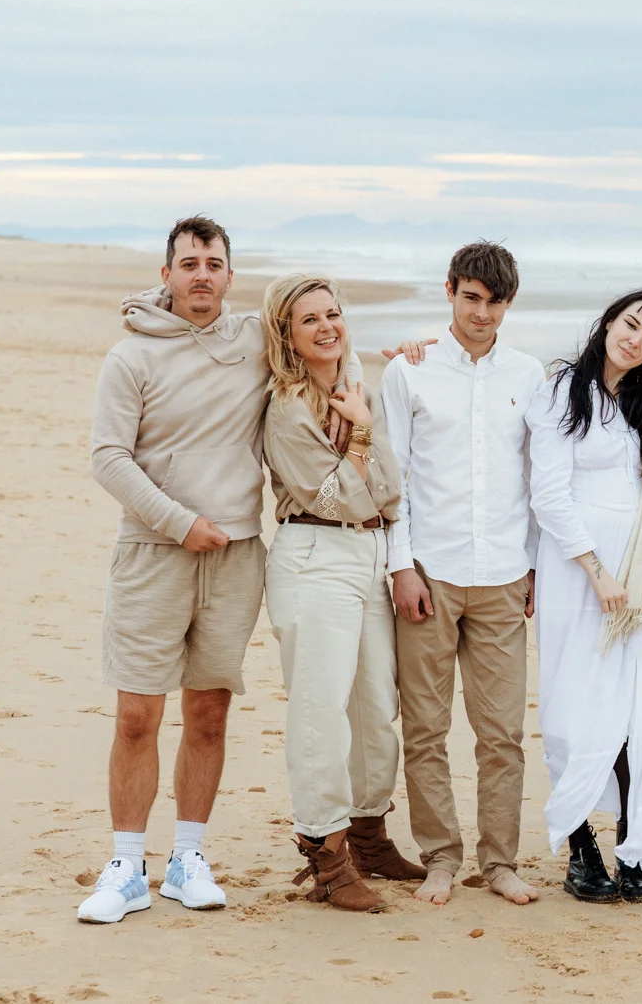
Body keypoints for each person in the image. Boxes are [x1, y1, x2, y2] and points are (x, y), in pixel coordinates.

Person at [79, 217, 428, 924]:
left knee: (210, 711)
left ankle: (188, 857)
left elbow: (328, 350)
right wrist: (180, 521)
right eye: (188, 263)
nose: (201, 274)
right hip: (156, 550)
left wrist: (422, 353)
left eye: (213, 263)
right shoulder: (131, 357)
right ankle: (124, 865)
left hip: (239, 555)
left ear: (230, 276)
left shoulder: (251, 344)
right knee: (138, 712)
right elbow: (108, 458)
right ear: (167, 273)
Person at [380, 242, 546, 907]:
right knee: (424, 727)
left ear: (509, 303)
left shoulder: (530, 373)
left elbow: (538, 475)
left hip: (504, 572)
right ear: (450, 290)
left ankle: (499, 860)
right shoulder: (409, 372)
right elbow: (393, 476)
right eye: (471, 297)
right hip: (430, 571)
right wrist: (401, 566)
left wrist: (532, 562)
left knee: (501, 731)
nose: (481, 313)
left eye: (494, 301)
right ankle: (441, 856)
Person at [260, 274, 422, 912]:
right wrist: (360, 437)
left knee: (376, 706)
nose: (328, 326)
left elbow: (389, 488)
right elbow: (332, 495)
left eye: (333, 314)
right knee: (319, 713)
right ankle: (326, 855)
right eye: (310, 320)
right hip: (312, 556)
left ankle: (369, 832)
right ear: (288, 335)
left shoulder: (356, 387)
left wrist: (363, 435)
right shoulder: (287, 408)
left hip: (369, 555)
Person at [527, 289, 642, 904]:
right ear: (608, 323)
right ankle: (580, 849)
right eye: (630, 325)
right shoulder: (562, 390)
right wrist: (596, 571)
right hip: (577, 573)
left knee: (631, 715)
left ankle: (631, 845)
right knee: (572, 708)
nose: (636, 340)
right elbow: (550, 494)